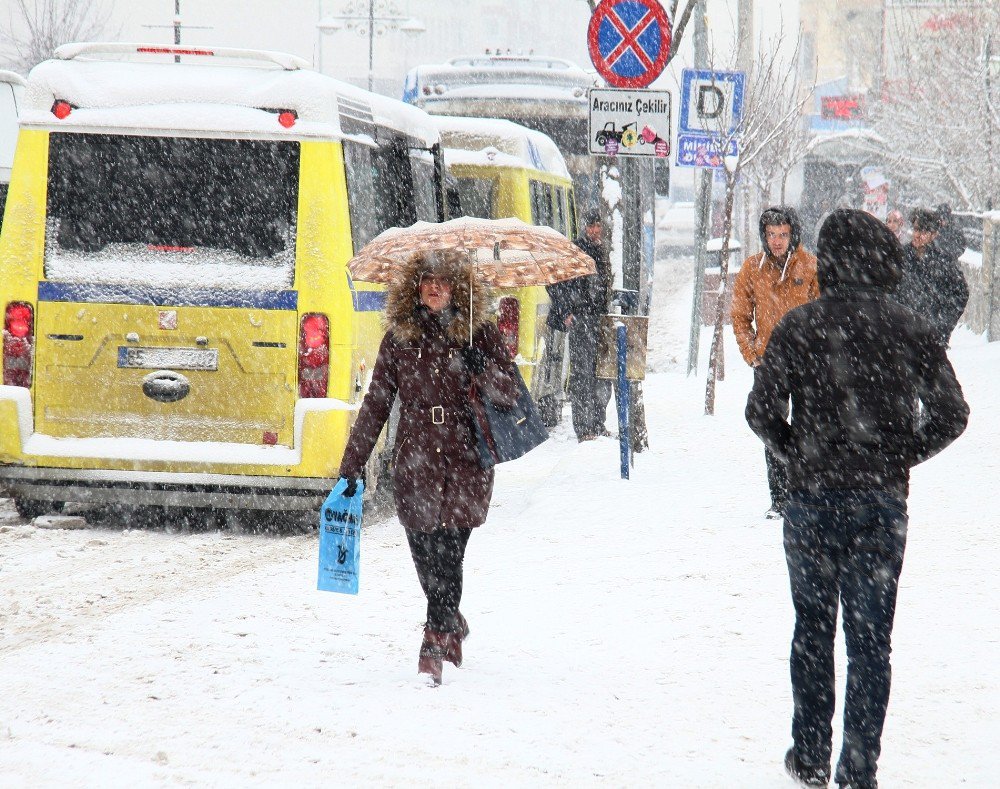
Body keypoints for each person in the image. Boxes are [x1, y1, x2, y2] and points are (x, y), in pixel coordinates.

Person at [746, 209, 969, 789]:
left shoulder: (799, 327)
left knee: (812, 627)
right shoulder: (910, 328)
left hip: (813, 502)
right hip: (880, 504)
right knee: (872, 640)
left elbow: (760, 412)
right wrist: (899, 457)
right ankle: (858, 765)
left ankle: (811, 753)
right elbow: (952, 413)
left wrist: (799, 454)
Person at [337, 249, 519, 686]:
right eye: (426, 281)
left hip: (465, 460)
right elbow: (377, 402)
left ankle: (434, 643)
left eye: (443, 281)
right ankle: (451, 621)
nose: (434, 288)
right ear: (414, 288)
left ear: (457, 287)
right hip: (415, 459)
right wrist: (352, 464)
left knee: (448, 553)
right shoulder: (399, 338)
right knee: (424, 553)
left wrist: (483, 370)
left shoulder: (479, 333)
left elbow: (510, 393)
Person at [731, 206, 819, 519]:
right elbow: (740, 316)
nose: (777, 241)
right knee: (769, 424)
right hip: (769, 361)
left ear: (793, 234)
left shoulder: (811, 267)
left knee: (809, 427)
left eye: (783, 234)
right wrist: (752, 352)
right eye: (771, 234)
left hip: (807, 364)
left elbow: (823, 313)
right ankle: (780, 499)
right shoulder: (752, 269)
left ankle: (805, 492)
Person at [547, 208, 613, 441]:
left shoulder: (603, 251)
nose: (595, 230)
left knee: (601, 375)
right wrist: (566, 311)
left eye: (598, 226)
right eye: (591, 226)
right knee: (583, 376)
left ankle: (597, 424)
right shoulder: (573, 250)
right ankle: (584, 429)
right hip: (582, 321)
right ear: (584, 227)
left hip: (600, 321)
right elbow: (553, 279)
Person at [892, 207, 969, 347]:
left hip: (931, 338)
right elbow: (889, 289)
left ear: (934, 234)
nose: (917, 235)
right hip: (901, 335)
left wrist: (942, 327)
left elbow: (960, 294)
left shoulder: (944, 262)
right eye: (915, 229)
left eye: (923, 231)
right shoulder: (900, 256)